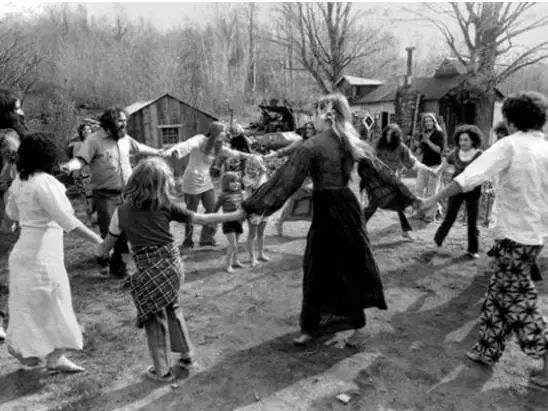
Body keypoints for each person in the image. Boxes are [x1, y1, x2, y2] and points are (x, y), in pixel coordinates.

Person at [243, 93, 416, 347]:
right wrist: (411, 197)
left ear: (324, 114)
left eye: (315, 113)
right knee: (346, 265)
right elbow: (382, 174)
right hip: (346, 208)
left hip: (331, 208)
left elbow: (285, 181)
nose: (313, 118)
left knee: (320, 266)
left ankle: (323, 327)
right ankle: (323, 326)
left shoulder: (316, 145)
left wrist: (252, 206)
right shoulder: (350, 141)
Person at [419, 92, 548, 387]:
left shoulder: (510, 145)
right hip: (533, 237)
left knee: (517, 300)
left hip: (515, 236)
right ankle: (488, 349)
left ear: (512, 120)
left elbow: (469, 177)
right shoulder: (544, 147)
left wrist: (433, 199)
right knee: (497, 294)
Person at [97, 157, 243, 382]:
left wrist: (100, 253)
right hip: (173, 267)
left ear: (133, 182)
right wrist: (235, 215)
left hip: (149, 271)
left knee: (154, 318)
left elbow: (106, 246)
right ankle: (186, 357)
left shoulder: (121, 212)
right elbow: (203, 219)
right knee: (173, 307)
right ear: (162, 184)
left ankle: (162, 371)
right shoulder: (166, 206)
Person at [5, 133, 103, 372]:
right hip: (42, 255)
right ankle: (54, 356)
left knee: (26, 304)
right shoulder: (46, 182)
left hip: (22, 252)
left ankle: (25, 348)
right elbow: (67, 221)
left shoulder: (19, 182)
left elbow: (11, 215)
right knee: (56, 303)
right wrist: (99, 240)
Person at [61, 107, 160, 278]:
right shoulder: (93, 140)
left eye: (125, 121)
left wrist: (159, 152)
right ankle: (109, 262)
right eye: (120, 121)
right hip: (106, 195)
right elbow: (81, 160)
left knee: (129, 228)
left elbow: (139, 147)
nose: (124, 124)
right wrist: (70, 166)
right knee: (110, 232)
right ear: (109, 123)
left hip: (128, 194)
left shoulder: (124, 138)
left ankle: (120, 266)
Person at [163, 122, 252, 249]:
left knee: (212, 209)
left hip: (206, 180)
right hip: (192, 180)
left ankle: (206, 239)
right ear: (215, 131)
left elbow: (233, 153)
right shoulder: (200, 139)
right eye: (223, 131)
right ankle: (188, 242)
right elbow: (187, 144)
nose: (225, 133)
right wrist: (174, 151)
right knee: (191, 213)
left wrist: (251, 156)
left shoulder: (218, 146)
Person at [363, 123, 435, 240]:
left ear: (396, 136)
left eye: (391, 135)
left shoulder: (401, 147)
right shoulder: (379, 144)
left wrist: (428, 169)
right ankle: (357, 227)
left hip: (392, 181)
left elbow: (412, 162)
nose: (388, 137)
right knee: (372, 206)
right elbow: (369, 157)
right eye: (386, 134)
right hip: (377, 181)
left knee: (399, 205)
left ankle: (406, 231)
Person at [0, 88, 28, 343]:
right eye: (17, 108)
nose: (22, 112)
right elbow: (10, 181)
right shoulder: (9, 141)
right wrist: (11, 216)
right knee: (8, 262)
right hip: (6, 208)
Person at [433, 125, 484, 258]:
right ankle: (437, 241)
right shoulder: (455, 153)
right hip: (456, 187)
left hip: (473, 189)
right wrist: (437, 171)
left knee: (472, 220)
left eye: (466, 140)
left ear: (473, 140)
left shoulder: (479, 154)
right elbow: (445, 163)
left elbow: (485, 170)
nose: (462, 142)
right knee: (450, 216)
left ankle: (472, 250)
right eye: (461, 140)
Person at [265, 121, 316, 236]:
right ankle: (280, 222)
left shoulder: (318, 142)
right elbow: (286, 150)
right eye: (306, 128)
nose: (307, 130)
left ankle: (315, 228)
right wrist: (270, 155)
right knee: (295, 198)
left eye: (310, 128)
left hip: (315, 176)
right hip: (301, 177)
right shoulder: (301, 142)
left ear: (315, 130)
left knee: (314, 202)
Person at [413, 112, 445, 222]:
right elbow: (419, 151)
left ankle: (430, 215)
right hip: (424, 165)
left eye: (429, 121)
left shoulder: (439, 134)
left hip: (435, 166)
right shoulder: (424, 134)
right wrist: (416, 144)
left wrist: (427, 141)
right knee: (418, 190)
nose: (427, 123)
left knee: (431, 192)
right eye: (425, 121)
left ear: (434, 122)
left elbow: (439, 150)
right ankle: (419, 212)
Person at [215, 172, 245, 273]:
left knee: (236, 243)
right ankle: (227, 265)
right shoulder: (223, 195)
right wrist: (212, 219)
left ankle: (235, 261)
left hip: (238, 222)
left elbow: (243, 206)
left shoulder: (240, 194)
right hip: (228, 222)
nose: (236, 183)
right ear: (226, 183)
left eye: (237, 181)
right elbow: (215, 208)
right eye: (232, 182)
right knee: (233, 245)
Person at [243, 155, 269, 266]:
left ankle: (261, 254)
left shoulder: (264, 176)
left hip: (264, 208)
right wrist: (262, 174)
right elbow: (257, 187)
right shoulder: (246, 178)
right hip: (253, 209)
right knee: (252, 234)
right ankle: (252, 257)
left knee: (261, 232)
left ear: (259, 168)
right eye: (248, 168)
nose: (250, 170)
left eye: (253, 168)